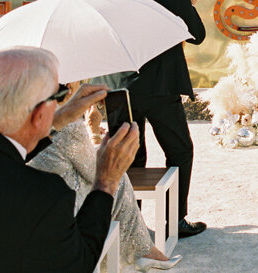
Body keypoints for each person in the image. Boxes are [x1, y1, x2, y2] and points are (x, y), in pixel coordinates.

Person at [0, 47, 139, 273]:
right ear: (38, 114)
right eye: (59, 94)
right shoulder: (43, 198)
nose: (62, 98)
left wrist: (56, 119)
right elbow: (79, 262)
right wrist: (106, 181)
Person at [98, 0, 207, 238]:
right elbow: (197, 35)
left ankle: (129, 226)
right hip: (158, 86)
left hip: (119, 86)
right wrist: (189, 4)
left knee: (132, 157)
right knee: (180, 151)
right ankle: (176, 221)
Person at [28, 81, 182, 272]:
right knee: (118, 180)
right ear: (68, 87)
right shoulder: (69, 128)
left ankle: (144, 249)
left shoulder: (19, 123)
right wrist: (94, 135)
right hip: (65, 209)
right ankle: (144, 251)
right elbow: (95, 171)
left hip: (29, 204)